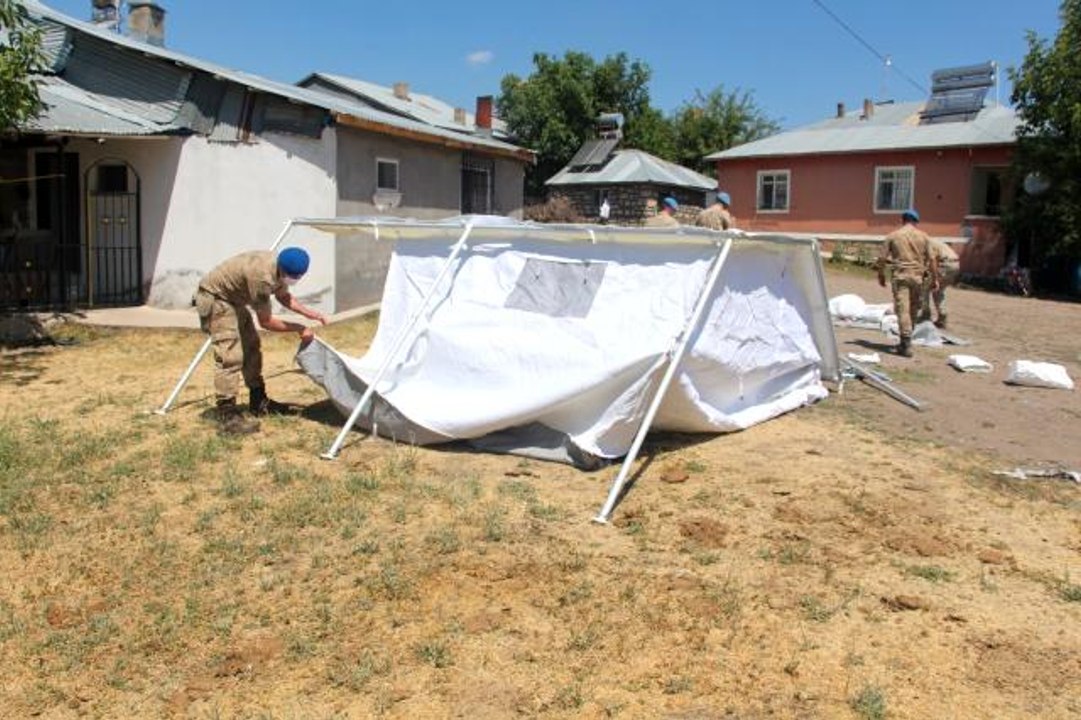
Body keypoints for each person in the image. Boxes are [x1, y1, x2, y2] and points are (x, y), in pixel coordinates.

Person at [193, 247, 328, 434]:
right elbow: (266, 322)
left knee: (251, 347)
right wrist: (299, 328)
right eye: (292, 276)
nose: (294, 280)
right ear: (282, 268)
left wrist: (309, 313)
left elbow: (283, 295)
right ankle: (227, 415)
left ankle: (258, 401)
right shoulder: (262, 278)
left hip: (234, 300)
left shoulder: (280, 267)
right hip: (216, 299)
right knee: (231, 354)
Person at [876, 208, 938, 357]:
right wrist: (935, 279)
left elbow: (882, 258)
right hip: (918, 278)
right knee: (913, 309)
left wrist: (881, 275)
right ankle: (907, 339)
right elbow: (932, 260)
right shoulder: (924, 237)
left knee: (902, 309)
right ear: (916, 222)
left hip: (901, 276)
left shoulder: (893, 236)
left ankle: (905, 343)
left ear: (903, 220)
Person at [919, 237, 960, 329]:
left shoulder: (925, 244)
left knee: (923, 288)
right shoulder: (935, 242)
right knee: (939, 291)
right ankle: (942, 316)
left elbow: (932, 260)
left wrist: (932, 277)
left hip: (944, 264)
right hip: (955, 264)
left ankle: (925, 315)